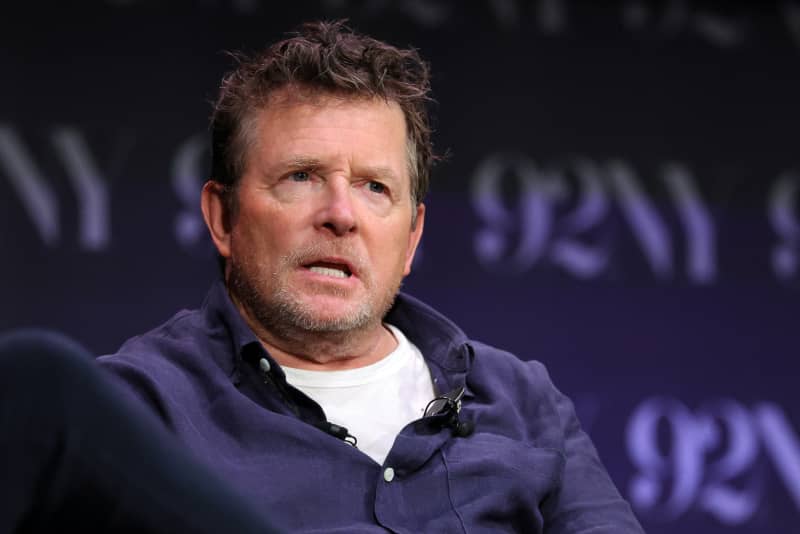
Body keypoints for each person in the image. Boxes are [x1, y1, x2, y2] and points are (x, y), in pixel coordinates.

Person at [98, 20, 645, 533]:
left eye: (374, 187)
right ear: (223, 218)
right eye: (302, 176)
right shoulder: (134, 411)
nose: (341, 213)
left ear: (411, 238)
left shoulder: (523, 402)